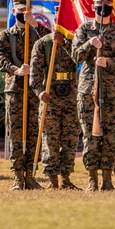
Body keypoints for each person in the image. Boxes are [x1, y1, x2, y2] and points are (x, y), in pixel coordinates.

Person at [71, 0, 115, 191]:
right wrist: (89, 44)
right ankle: (92, 178)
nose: (103, 7)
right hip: (89, 90)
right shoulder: (84, 29)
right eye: (99, 4)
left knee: (112, 135)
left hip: (114, 90)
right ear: (93, 5)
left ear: (112, 6)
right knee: (90, 135)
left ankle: (107, 179)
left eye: (107, 4)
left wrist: (110, 63)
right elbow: (75, 56)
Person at [0, 0, 49, 190]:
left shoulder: (37, 34)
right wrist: (15, 69)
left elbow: (52, 43)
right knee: (17, 134)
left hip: (35, 90)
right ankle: (18, 177)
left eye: (25, 11)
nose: (22, 14)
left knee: (34, 133)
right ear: (13, 11)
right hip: (15, 90)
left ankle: (30, 175)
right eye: (18, 10)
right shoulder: (5, 36)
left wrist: (35, 24)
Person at [30, 29, 80, 190]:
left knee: (70, 139)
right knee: (50, 138)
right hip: (50, 97)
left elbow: (80, 59)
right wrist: (39, 92)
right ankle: (52, 179)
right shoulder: (43, 44)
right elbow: (35, 73)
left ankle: (66, 178)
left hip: (71, 96)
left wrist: (65, 43)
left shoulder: (75, 41)